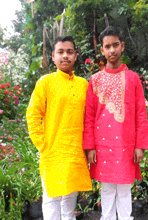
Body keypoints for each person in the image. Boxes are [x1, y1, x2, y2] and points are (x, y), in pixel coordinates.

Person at [83, 26, 148, 220]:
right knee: (107, 188)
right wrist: (90, 147)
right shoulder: (94, 80)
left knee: (124, 188)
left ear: (122, 47)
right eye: (107, 46)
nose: (112, 50)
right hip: (102, 145)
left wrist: (140, 146)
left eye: (115, 45)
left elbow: (140, 114)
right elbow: (89, 116)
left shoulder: (133, 78)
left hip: (126, 144)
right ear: (101, 51)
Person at [26, 36, 92, 220]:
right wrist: (42, 143)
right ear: (53, 56)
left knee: (70, 196)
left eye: (69, 52)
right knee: (52, 197)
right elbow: (32, 114)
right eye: (60, 52)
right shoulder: (45, 83)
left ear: (76, 56)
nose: (65, 56)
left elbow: (89, 118)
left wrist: (88, 146)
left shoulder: (83, 85)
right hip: (52, 151)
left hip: (75, 150)